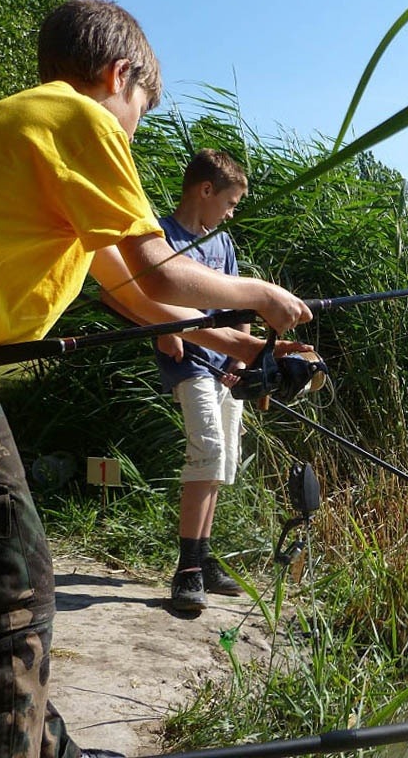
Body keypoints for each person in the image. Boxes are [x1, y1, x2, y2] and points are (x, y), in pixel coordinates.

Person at [0, 0, 311, 758]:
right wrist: (262, 295)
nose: (136, 127)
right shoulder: (79, 120)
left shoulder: (39, 138)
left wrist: (242, 350)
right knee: (7, 593)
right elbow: (160, 268)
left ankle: (47, 750)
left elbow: (135, 296)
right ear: (118, 77)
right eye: (141, 108)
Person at [105, 149, 268, 611]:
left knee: (223, 462)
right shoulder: (162, 236)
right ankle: (187, 570)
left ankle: (204, 554)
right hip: (190, 363)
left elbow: (242, 307)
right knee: (208, 451)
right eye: (231, 202)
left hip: (226, 366)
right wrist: (160, 333)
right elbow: (122, 292)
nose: (232, 212)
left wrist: (243, 355)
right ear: (206, 190)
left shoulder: (223, 243)